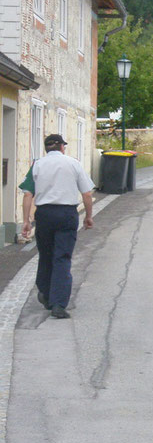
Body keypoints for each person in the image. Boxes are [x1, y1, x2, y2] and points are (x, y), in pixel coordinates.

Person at [19, 134, 95, 318]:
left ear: (47, 148)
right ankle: (58, 304)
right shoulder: (73, 163)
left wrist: (26, 221)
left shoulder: (37, 165)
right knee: (62, 257)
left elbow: (28, 194)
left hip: (44, 214)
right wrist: (88, 217)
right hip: (66, 214)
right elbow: (86, 193)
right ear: (62, 147)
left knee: (45, 254)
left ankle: (45, 292)